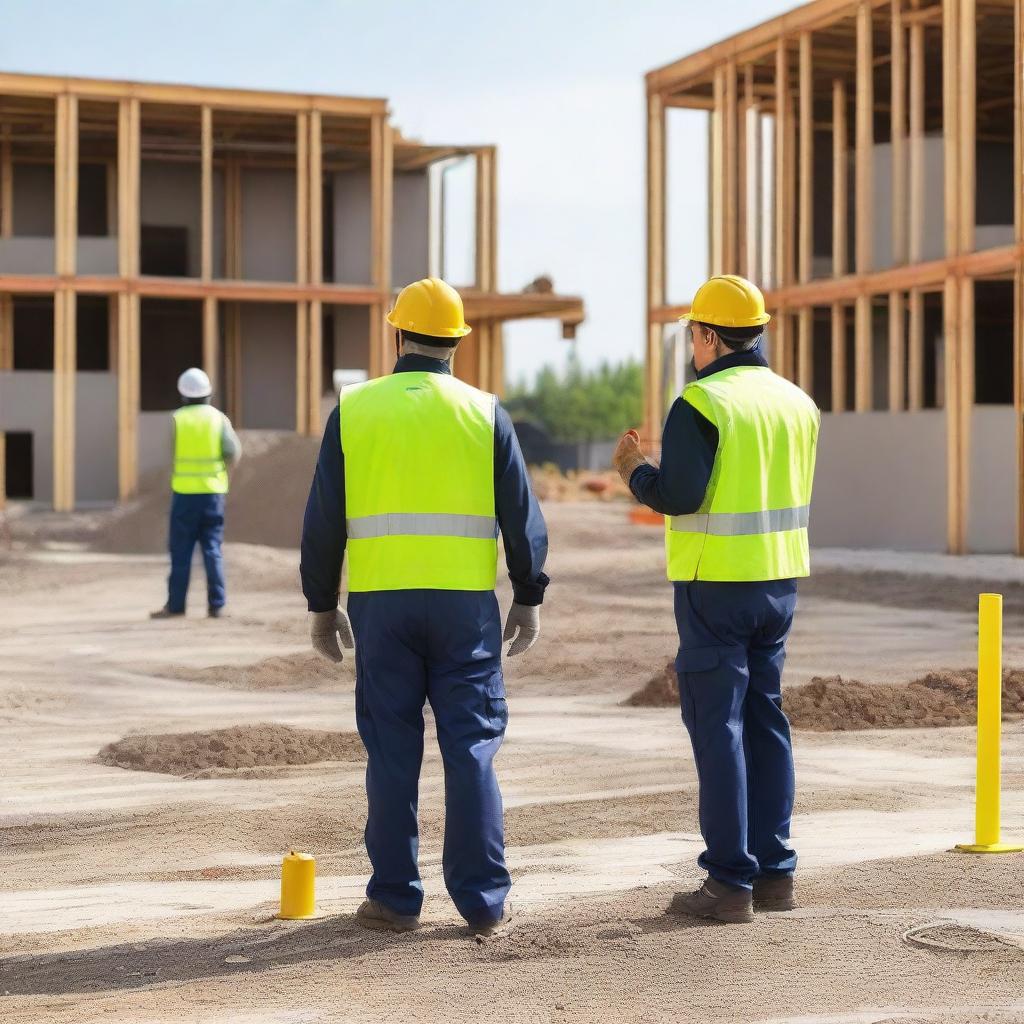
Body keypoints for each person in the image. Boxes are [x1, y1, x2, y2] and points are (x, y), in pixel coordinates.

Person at [300, 277, 548, 936]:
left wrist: (321, 605)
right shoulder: (484, 411)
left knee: (391, 751)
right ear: (458, 344)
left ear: (397, 334)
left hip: (382, 607)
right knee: (471, 751)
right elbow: (521, 513)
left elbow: (324, 519)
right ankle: (483, 903)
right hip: (465, 609)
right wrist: (528, 592)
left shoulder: (354, 410)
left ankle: (393, 897)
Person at [613, 274, 819, 924]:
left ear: (706, 335)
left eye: (692, 335)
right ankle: (776, 874)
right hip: (778, 584)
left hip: (715, 588)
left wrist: (633, 472)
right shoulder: (796, 404)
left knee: (718, 727)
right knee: (766, 719)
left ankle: (729, 883)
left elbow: (679, 495)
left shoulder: (702, 404)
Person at [151, 367, 241, 620]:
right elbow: (233, 452)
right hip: (213, 495)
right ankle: (217, 605)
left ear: (183, 394)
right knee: (212, 549)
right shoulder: (218, 418)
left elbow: (169, 452)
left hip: (184, 495)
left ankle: (176, 606)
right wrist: (221, 474)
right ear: (208, 393)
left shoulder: (177, 419)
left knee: (181, 551)